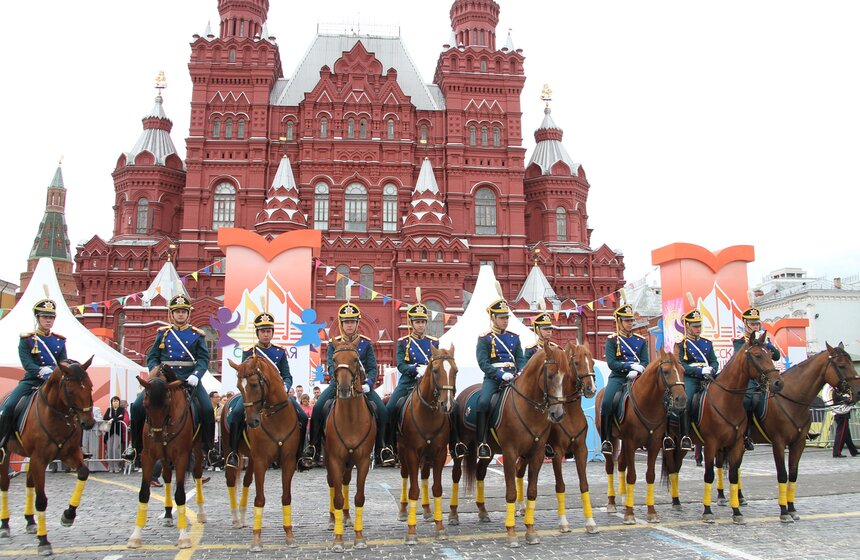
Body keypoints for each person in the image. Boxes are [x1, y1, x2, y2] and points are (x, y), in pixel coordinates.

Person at [123, 295, 222, 467]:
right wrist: (155, 374)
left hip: (188, 379)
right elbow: (152, 357)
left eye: (183, 312)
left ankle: (209, 449)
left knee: (207, 408)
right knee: (137, 406)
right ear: (172, 314)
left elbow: (203, 360)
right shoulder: (163, 334)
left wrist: (196, 376)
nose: (180, 315)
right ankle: (135, 447)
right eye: (177, 312)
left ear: (188, 314)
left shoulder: (196, 335)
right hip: (163, 380)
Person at [303, 302, 394, 467]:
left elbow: (372, 368)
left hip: (361, 386)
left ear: (357, 323)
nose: (349, 325)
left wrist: (369, 383)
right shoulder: (334, 343)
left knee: (383, 410)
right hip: (338, 384)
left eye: (352, 321)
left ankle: (383, 448)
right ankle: (314, 448)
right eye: (346, 322)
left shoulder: (365, 344)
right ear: (341, 323)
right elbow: (331, 365)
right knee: (317, 408)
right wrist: (336, 378)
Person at [224, 312, 309, 470]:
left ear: (272, 333)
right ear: (257, 333)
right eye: (262, 331)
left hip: (277, 395)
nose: (265, 334)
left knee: (302, 416)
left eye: (268, 331)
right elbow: (244, 374)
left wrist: (286, 387)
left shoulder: (279, 352)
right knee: (236, 413)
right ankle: (234, 453)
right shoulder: (249, 352)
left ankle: (299, 455)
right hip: (255, 394)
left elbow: (287, 375)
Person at [0, 299, 68, 462]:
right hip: (31, 381)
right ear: (37, 318)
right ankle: (2, 445)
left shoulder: (59, 341)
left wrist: (58, 372)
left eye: (51, 318)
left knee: (73, 406)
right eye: (45, 317)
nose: (48, 321)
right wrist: (40, 371)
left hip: (52, 383)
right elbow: (27, 362)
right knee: (8, 406)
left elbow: (63, 362)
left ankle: (73, 445)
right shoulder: (27, 340)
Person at [475, 298, 526, 460]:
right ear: (493, 318)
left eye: (507, 317)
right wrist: (499, 375)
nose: (505, 321)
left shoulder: (514, 338)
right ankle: (482, 442)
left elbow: (521, 359)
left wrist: (522, 370)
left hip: (513, 378)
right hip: (494, 378)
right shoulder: (485, 338)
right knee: (483, 402)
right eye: (502, 317)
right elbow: (483, 363)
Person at [600, 304, 652, 455]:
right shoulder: (612, 340)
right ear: (619, 322)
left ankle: (658, 434)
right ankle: (607, 439)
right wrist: (630, 367)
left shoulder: (640, 341)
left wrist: (639, 369)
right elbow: (612, 363)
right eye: (626, 320)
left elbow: (645, 361)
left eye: (631, 320)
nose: (630, 323)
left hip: (638, 377)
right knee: (607, 402)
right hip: (618, 377)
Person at [733, 306, 781, 451]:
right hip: (750, 379)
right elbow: (739, 359)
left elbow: (777, 356)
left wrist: (765, 344)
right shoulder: (740, 341)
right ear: (746, 324)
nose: (755, 326)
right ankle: (746, 433)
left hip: (766, 377)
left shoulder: (764, 342)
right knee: (749, 400)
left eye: (757, 323)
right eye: (752, 323)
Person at [676, 309, 718, 454]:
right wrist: (700, 371)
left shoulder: (707, 343)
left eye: (699, 325)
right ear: (687, 327)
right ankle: (686, 435)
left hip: (708, 377)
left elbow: (714, 361)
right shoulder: (681, 345)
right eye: (695, 326)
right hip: (691, 378)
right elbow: (681, 365)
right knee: (685, 402)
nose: (698, 329)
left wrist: (712, 369)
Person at [827, 385, 858, 458]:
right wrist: (852, 400)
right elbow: (847, 401)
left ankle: (853, 451)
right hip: (842, 415)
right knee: (841, 434)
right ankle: (836, 452)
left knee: (846, 434)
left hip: (841, 414)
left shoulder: (838, 391)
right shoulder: (838, 391)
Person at [103, 396, 127, 472]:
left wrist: (112, 419)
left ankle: (116, 465)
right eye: (114, 401)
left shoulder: (121, 409)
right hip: (109, 432)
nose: (115, 402)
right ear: (111, 402)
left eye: (116, 401)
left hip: (117, 432)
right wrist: (116, 418)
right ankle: (110, 466)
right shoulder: (109, 409)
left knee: (116, 449)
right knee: (110, 449)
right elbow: (105, 417)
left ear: (119, 402)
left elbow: (121, 418)